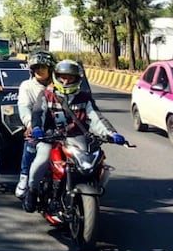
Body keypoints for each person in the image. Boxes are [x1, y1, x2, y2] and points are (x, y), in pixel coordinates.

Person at [23, 59, 125, 213]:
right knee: (42, 160)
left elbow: (96, 118)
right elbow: (38, 113)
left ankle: (91, 187)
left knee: (94, 161)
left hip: (77, 138)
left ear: (77, 79)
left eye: (70, 78)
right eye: (63, 77)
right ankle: (32, 191)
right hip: (51, 138)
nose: (66, 81)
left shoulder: (85, 98)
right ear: (56, 77)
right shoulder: (46, 95)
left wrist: (112, 133)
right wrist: (37, 128)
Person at [15, 50, 56, 199]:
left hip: (59, 125)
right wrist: (30, 124)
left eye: (43, 67)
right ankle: (24, 177)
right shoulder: (27, 86)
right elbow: (24, 107)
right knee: (31, 141)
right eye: (36, 67)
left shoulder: (60, 84)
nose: (39, 70)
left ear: (50, 69)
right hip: (37, 125)